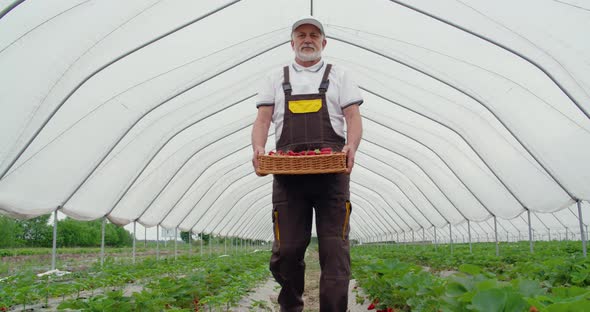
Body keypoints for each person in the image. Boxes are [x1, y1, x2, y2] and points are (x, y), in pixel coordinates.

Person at [251, 16, 363, 312]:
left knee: (334, 251)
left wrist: (351, 145)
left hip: (332, 176)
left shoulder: (340, 75)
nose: (307, 39)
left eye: (314, 34)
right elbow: (263, 119)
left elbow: (353, 116)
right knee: (286, 250)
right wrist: (258, 148)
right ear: (292, 43)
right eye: (301, 35)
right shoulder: (276, 78)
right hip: (289, 178)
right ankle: (291, 306)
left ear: (323, 42)